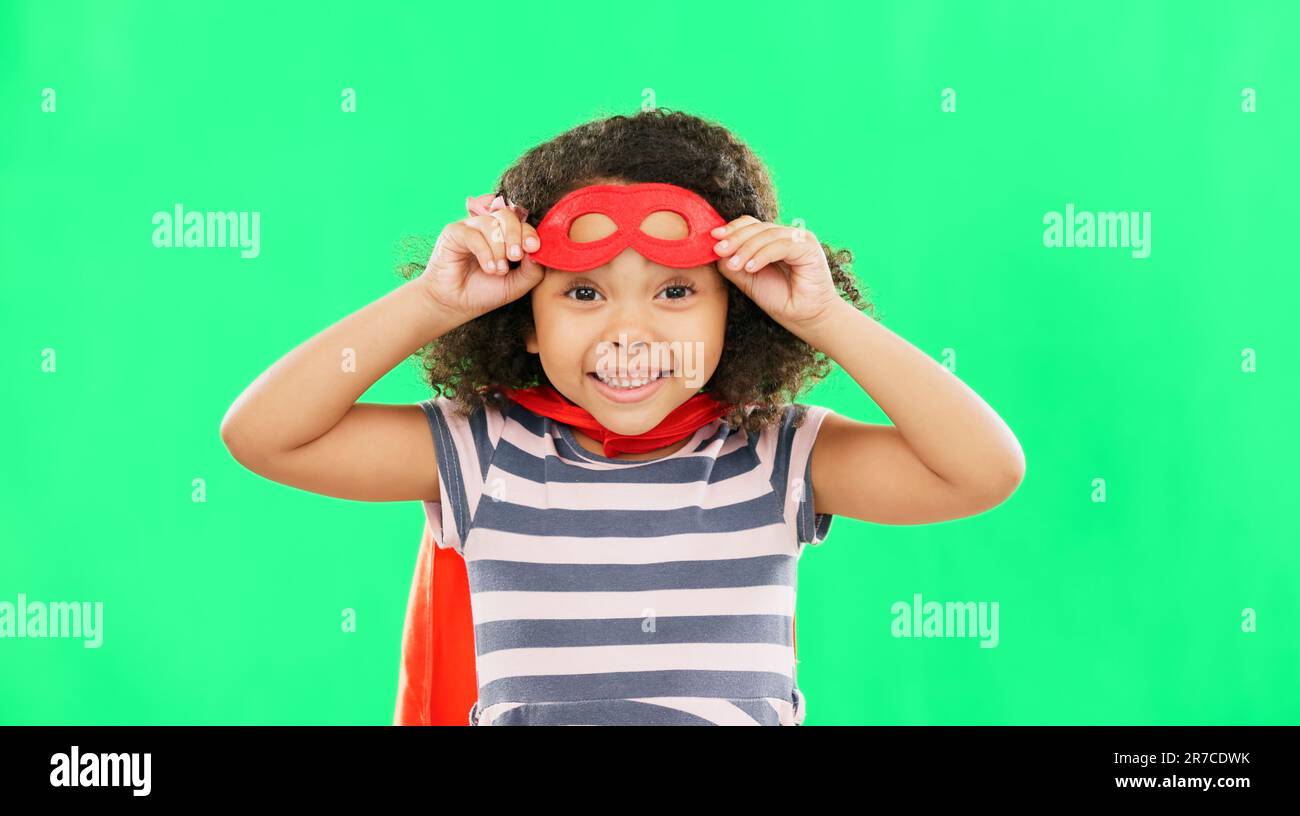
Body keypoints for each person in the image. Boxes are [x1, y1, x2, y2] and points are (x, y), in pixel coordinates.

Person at [220, 108, 1025, 726]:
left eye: (676, 292)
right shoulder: (483, 451)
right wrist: (433, 300)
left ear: (737, 311)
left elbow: (983, 470)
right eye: (582, 292)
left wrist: (823, 318)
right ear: (524, 319)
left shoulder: (775, 458)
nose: (628, 334)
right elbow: (263, 434)